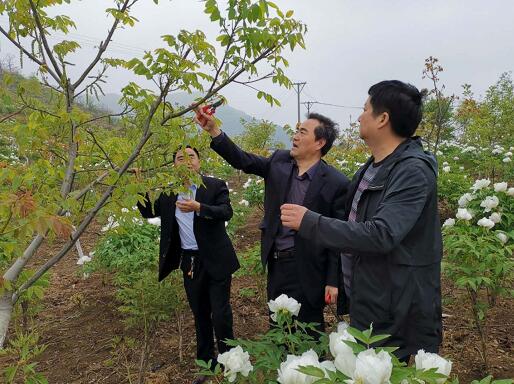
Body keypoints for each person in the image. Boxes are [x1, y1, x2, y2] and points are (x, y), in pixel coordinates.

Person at [280, 80, 442, 362]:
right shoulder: (371, 168)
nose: (359, 116)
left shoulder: (413, 172)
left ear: (383, 119)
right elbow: (350, 224)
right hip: (370, 302)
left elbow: (380, 234)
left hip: (397, 313)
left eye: (365, 109)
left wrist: (310, 222)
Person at [195, 110, 350, 333]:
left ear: (320, 142)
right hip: (278, 263)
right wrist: (214, 131)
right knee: (278, 329)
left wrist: (333, 281)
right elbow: (243, 159)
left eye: (302, 132)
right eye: (296, 131)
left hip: (310, 268)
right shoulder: (279, 161)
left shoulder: (336, 182)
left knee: (309, 332)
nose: (295, 136)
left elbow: (337, 236)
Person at [137, 146, 239, 384]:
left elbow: (226, 212)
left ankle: (231, 361)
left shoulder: (214, 186)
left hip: (216, 259)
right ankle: (207, 364)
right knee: (200, 314)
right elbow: (148, 212)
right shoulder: (168, 194)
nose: (185, 161)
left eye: (190, 157)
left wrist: (199, 208)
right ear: (174, 165)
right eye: (179, 158)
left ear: (199, 162)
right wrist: (140, 185)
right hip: (190, 261)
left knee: (221, 313)